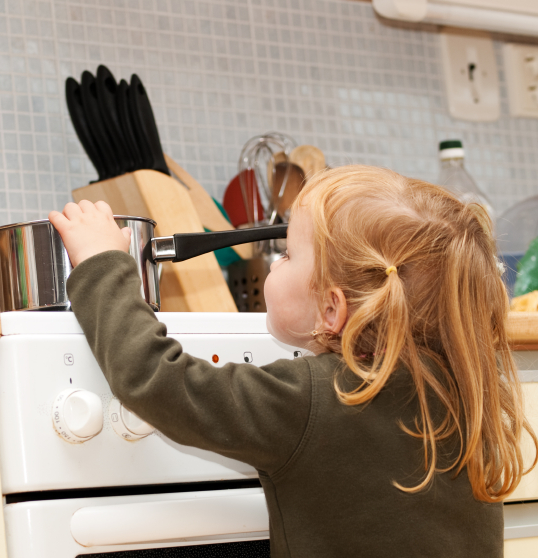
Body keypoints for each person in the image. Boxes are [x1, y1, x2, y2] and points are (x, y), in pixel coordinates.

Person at [48, 164, 536, 557]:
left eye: (286, 254)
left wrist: (100, 264)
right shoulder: (467, 392)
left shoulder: (308, 398)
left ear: (331, 308)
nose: (276, 262)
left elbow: (154, 378)